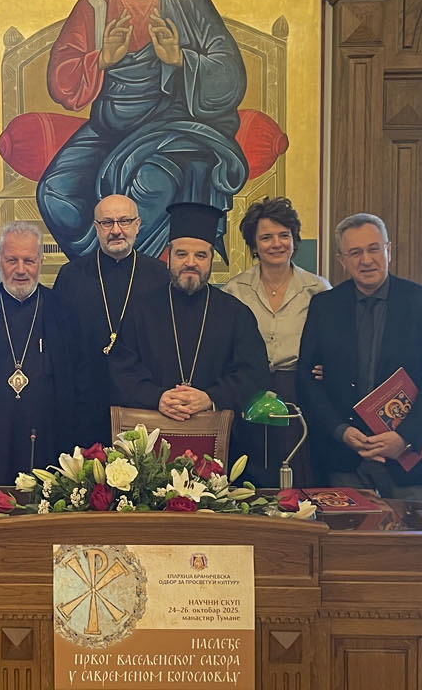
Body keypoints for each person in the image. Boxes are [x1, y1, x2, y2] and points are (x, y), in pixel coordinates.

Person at [37, 0, 249, 260]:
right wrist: (102, 58)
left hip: (171, 125)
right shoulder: (96, 3)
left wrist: (180, 58)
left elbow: (231, 72)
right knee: (54, 191)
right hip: (110, 126)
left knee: (151, 185)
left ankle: (134, 275)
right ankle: (100, 272)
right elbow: (60, 78)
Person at [295, 213, 422, 501]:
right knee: (344, 531)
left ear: (388, 250)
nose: (366, 260)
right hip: (343, 456)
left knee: (410, 532)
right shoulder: (324, 306)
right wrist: (340, 431)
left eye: (373, 249)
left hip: (407, 458)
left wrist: (405, 437)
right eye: (355, 253)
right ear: (342, 260)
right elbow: (306, 379)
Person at [109, 203, 269, 440]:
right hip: (150, 436)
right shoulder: (140, 310)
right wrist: (158, 397)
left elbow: (253, 373)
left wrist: (210, 398)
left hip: (219, 439)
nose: (191, 262)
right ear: (169, 256)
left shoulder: (236, 313)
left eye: (200, 255)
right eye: (182, 254)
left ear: (211, 259)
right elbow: (121, 371)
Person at [0, 222, 92, 483]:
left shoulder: (65, 312)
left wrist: (81, 446)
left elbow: (82, 384)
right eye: (12, 260)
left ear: (41, 261)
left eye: (29, 260)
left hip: (51, 439)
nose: (21, 270)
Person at [222, 198, 330, 486]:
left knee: (298, 471)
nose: (277, 244)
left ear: (294, 240)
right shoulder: (235, 290)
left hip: (299, 390)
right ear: (254, 245)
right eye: (266, 237)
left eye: (284, 235)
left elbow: (332, 343)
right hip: (248, 390)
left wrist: (329, 367)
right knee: (252, 473)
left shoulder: (318, 289)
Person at [51, 194, 169, 440]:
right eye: (107, 223)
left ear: (137, 225)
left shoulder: (159, 275)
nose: (116, 230)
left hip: (142, 404)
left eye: (124, 221)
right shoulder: (71, 276)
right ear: (96, 227)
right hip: (84, 403)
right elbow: (59, 344)